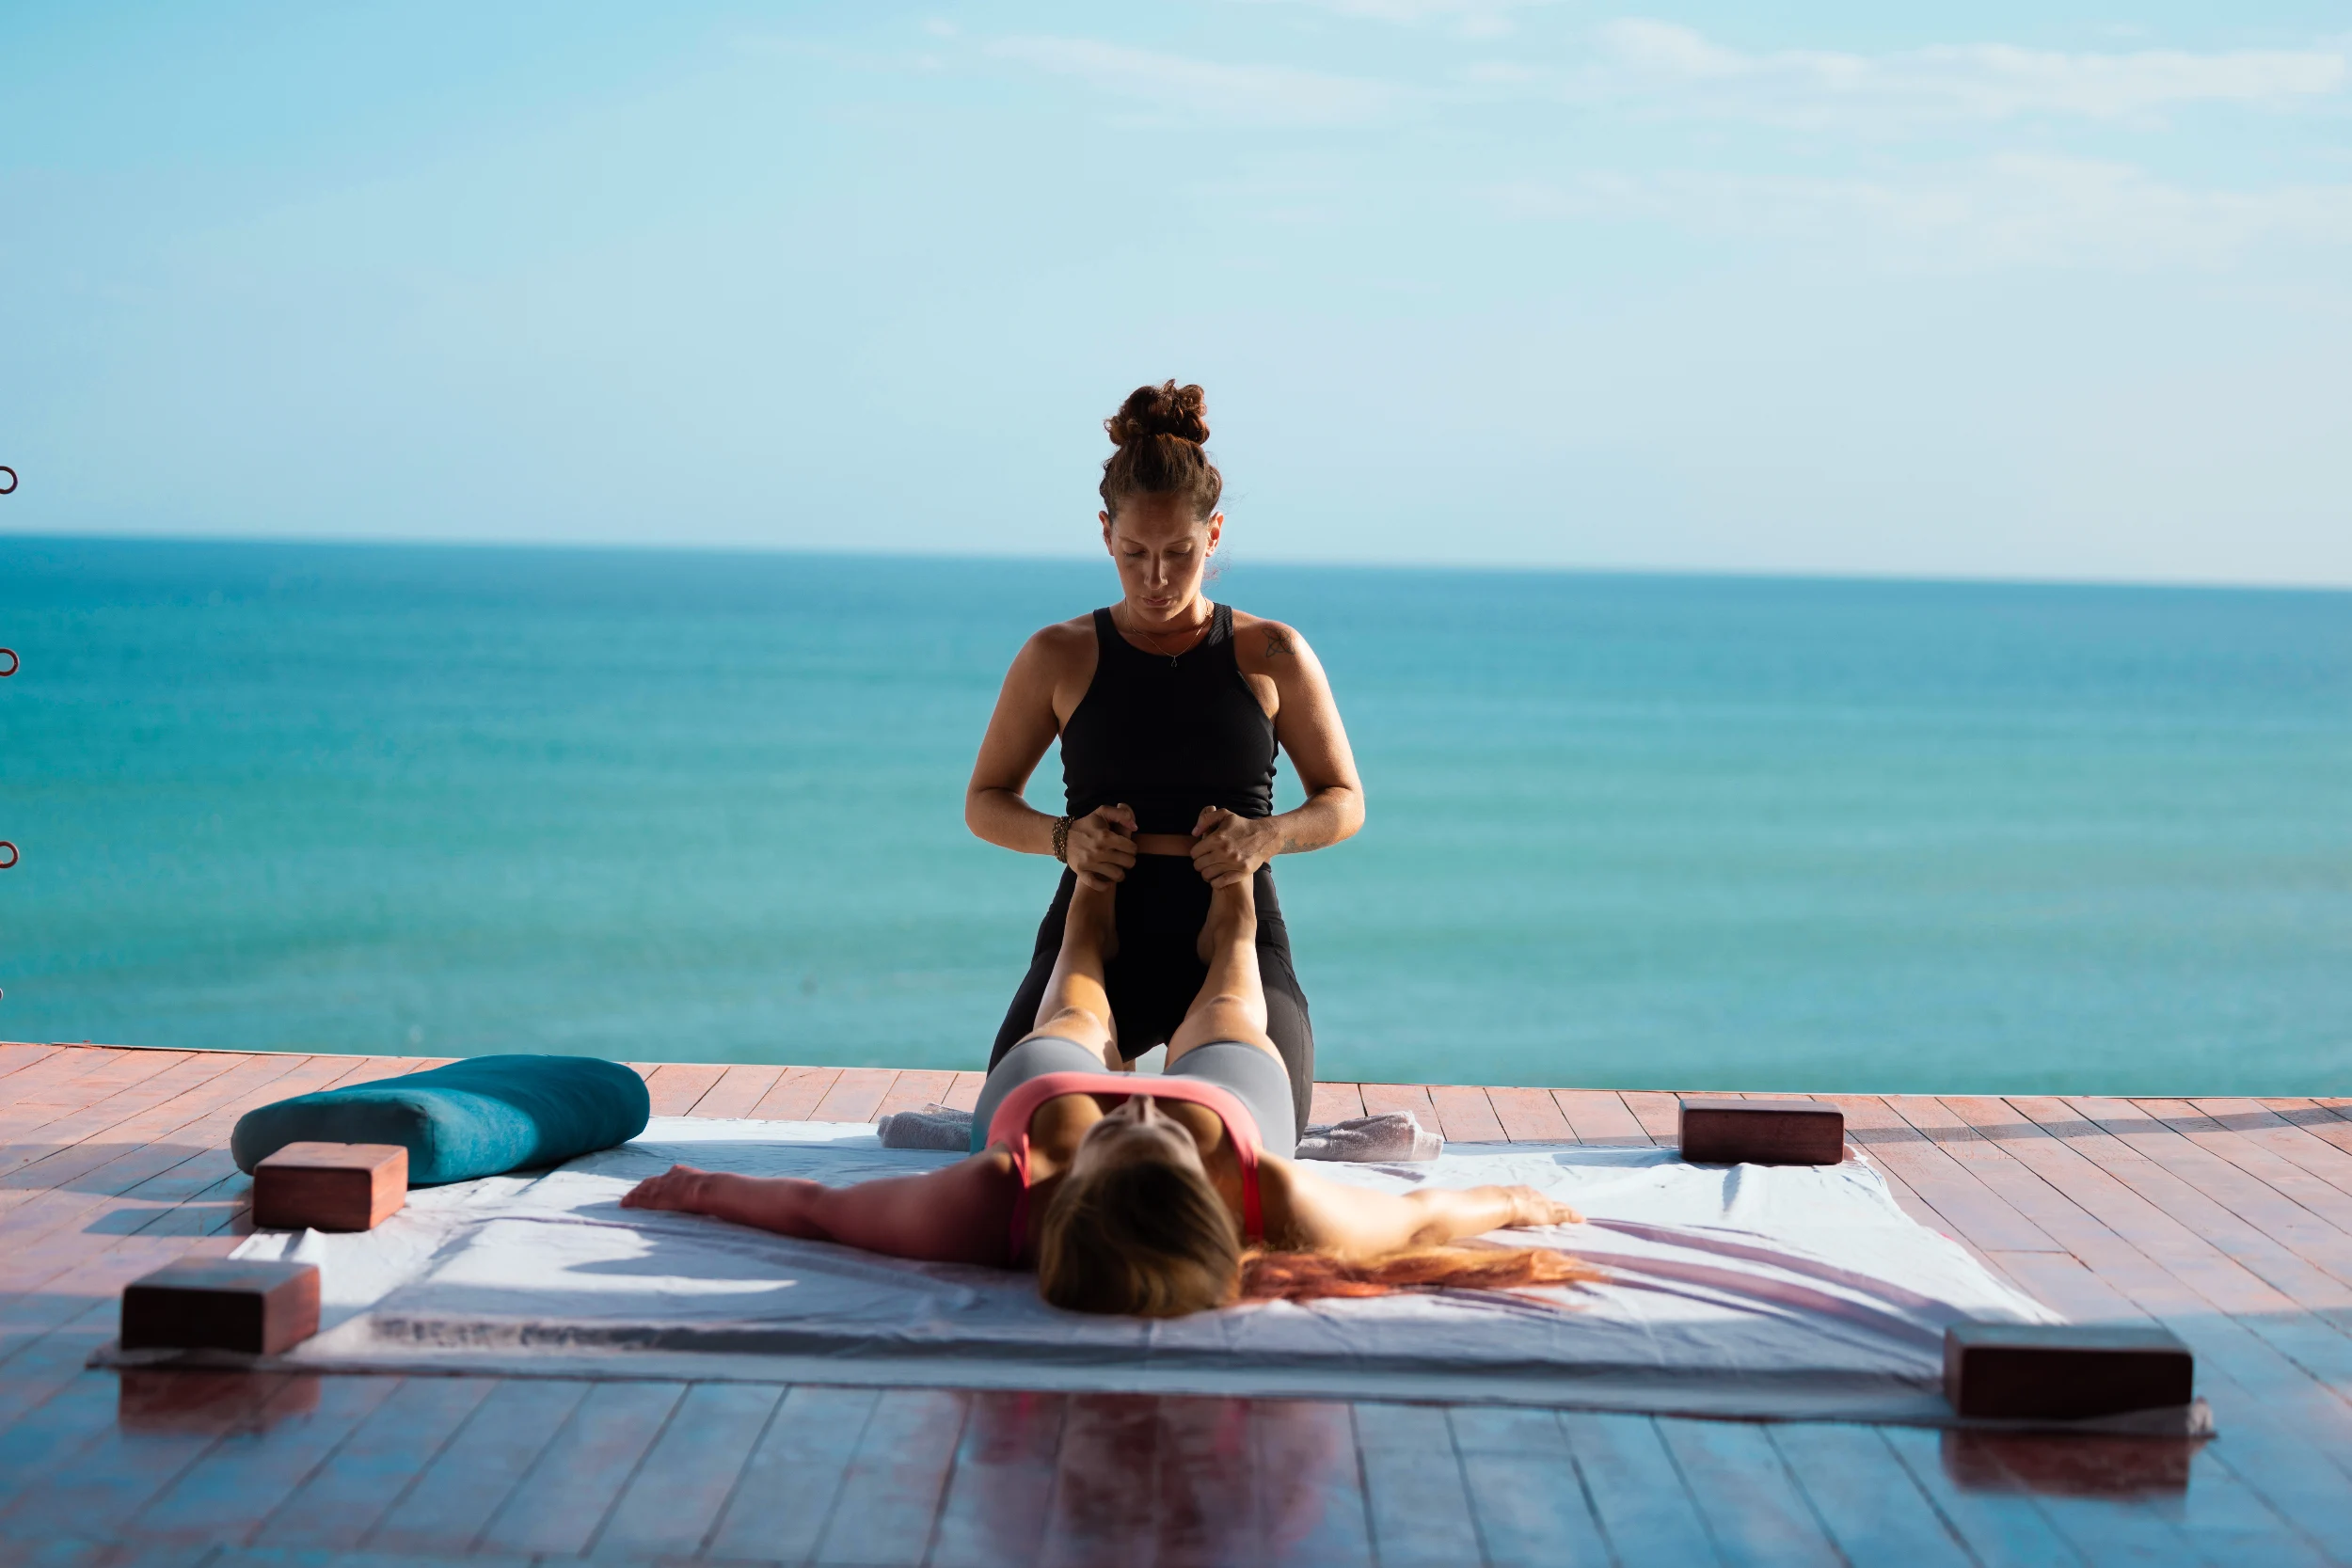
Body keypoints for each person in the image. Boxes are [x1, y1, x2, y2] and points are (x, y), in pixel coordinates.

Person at [621, 861, 1598, 1316]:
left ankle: (1089, 913)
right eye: (1150, 1122)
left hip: (1045, 1115)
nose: (1138, 1099)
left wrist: (698, 1187)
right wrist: (1514, 1200)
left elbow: (818, 1209)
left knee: (1070, 1022)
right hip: (1231, 1127)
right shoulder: (1274, 1191)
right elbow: (1426, 1217)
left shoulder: (987, 1198)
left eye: (1120, 1120)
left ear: (1063, 1188)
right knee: (1228, 1005)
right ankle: (1233, 910)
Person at [963, 380, 1364, 1138]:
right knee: (1018, 1129)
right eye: (1134, 553)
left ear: (1213, 537)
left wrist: (1267, 835)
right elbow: (985, 799)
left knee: (1256, 1136)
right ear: (1105, 533)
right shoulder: (1059, 654)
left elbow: (1344, 798)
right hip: (1100, 915)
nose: (1155, 578)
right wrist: (1062, 837)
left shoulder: (1270, 651)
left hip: (1232, 913)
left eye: (1178, 553)